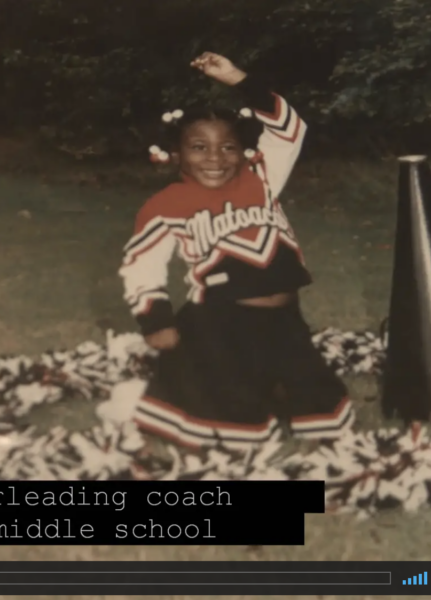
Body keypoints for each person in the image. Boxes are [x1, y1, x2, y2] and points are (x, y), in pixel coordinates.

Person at [119, 52, 354, 454]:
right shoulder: (165, 204)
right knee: (225, 399)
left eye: (228, 147)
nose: (215, 158)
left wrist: (238, 79)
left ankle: (323, 451)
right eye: (199, 147)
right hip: (217, 320)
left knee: (308, 381)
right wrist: (155, 318)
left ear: (244, 150)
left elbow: (290, 128)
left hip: (284, 315)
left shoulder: (263, 176)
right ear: (174, 154)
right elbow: (142, 266)